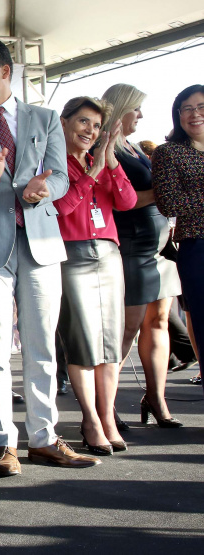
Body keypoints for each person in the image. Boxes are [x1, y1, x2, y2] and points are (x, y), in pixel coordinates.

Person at [0, 38, 100, 475]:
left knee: (42, 347)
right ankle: (2, 443)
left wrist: (44, 189)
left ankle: (44, 438)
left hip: (41, 243)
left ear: (5, 71)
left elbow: (64, 178)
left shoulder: (45, 118)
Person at [53, 96, 137, 454]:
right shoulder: (52, 164)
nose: (91, 131)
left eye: (97, 126)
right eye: (84, 122)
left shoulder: (101, 160)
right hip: (71, 256)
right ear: (65, 122)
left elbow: (128, 201)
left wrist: (111, 161)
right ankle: (88, 419)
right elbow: (61, 207)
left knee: (110, 342)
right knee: (83, 341)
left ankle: (106, 416)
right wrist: (90, 174)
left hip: (108, 253)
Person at [100, 84, 183, 428]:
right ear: (121, 109)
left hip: (160, 249)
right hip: (132, 247)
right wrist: (166, 193)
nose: (142, 116)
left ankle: (156, 399)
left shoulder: (133, 146)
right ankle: (106, 406)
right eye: (137, 109)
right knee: (126, 331)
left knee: (160, 323)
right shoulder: (104, 148)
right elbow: (123, 199)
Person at [153, 84, 204, 398]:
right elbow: (169, 202)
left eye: (200, 107)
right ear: (178, 115)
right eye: (187, 108)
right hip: (197, 246)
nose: (195, 114)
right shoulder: (169, 152)